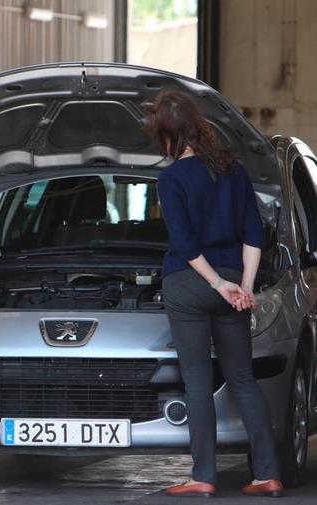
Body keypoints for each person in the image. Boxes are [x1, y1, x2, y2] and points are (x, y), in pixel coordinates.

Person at [145, 91, 283, 498]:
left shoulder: (171, 178)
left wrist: (216, 284)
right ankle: (267, 474)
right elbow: (253, 234)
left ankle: (203, 476)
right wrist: (243, 286)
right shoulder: (234, 171)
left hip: (191, 284)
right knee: (242, 378)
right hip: (233, 280)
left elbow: (185, 245)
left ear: (167, 136)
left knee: (197, 382)